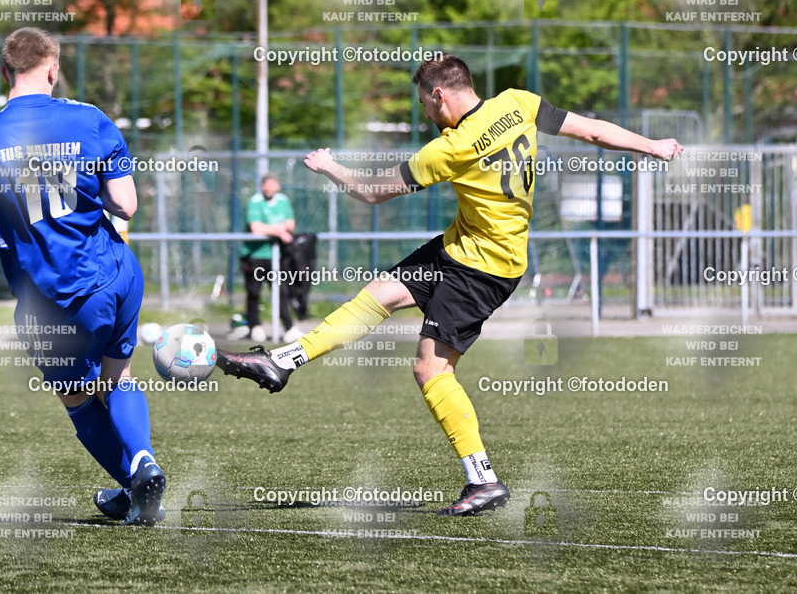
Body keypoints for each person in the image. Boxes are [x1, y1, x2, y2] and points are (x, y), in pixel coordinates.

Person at [217, 54, 684, 517]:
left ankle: (483, 480)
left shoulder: (451, 147)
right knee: (380, 293)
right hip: (460, 249)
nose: (425, 114)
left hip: (484, 270)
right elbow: (596, 131)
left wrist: (329, 167)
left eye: (425, 103)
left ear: (439, 95)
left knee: (431, 370)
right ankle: (283, 360)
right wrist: (654, 146)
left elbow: (373, 192)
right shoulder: (518, 102)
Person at [0, 27, 165, 526]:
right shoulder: (92, 119)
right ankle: (141, 464)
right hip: (116, 274)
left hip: (53, 300)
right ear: (53, 69)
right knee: (119, 376)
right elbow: (127, 204)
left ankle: (135, 480)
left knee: (76, 397)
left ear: (5, 72)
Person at [228, 173, 302, 343]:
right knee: (254, 292)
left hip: (276, 256)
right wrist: (279, 231)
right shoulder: (255, 201)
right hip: (255, 257)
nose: (268, 187)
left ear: (278, 186)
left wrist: (276, 229)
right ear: (262, 186)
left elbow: (290, 223)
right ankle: (255, 326)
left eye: (272, 184)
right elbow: (256, 227)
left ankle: (289, 327)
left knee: (281, 291)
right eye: (265, 184)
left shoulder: (283, 201)